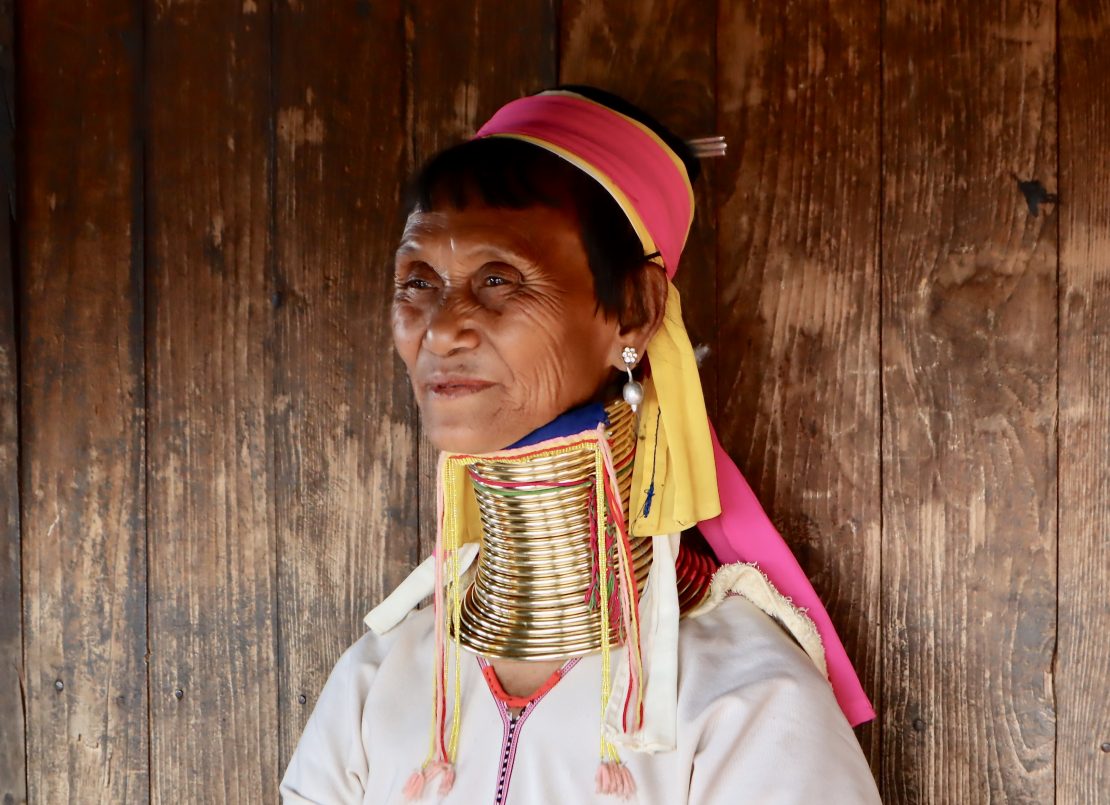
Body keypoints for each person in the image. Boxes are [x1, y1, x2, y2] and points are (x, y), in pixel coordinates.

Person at [280, 86, 882, 804]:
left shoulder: (741, 693)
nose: (439, 330)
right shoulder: (380, 679)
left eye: (498, 280)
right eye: (418, 282)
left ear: (633, 310)